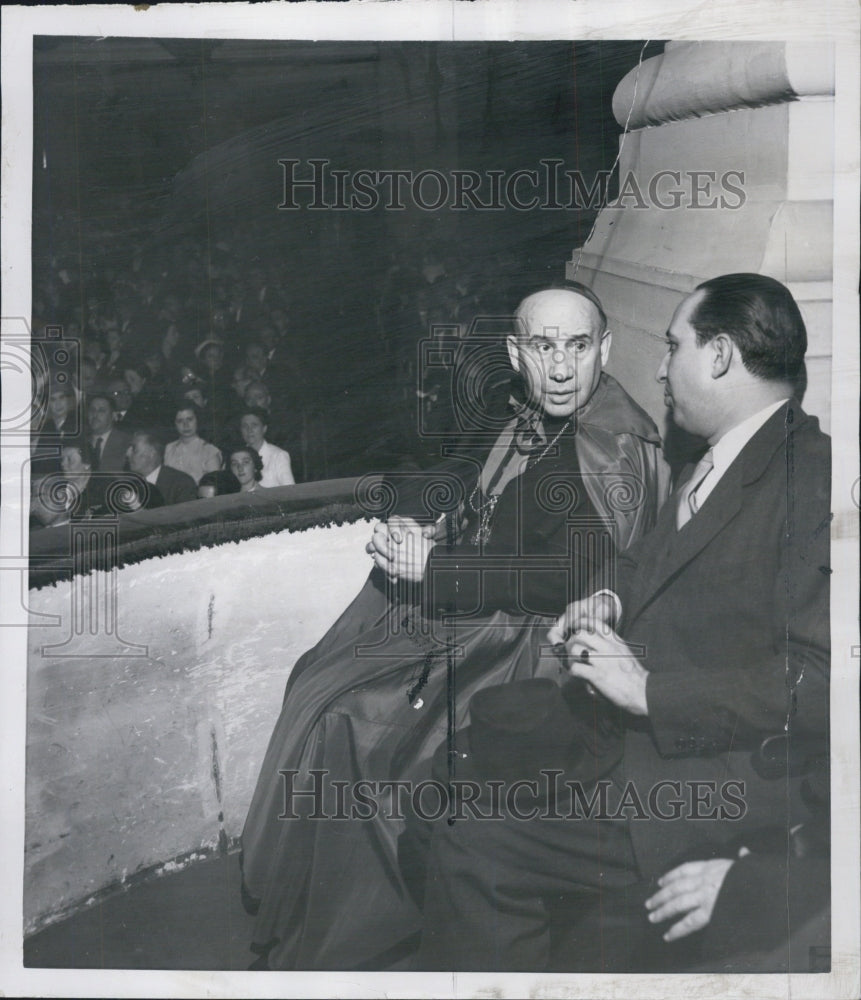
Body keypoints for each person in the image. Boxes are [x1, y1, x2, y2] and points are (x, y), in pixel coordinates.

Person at [239, 284, 669, 970]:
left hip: (541, 649)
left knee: (351, 719)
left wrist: (437, 567)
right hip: (484, 614)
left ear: (605, 350)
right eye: (542, 345)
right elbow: (468, 479)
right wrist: (423, 517)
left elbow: (570, 576)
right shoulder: (531, 415)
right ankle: (332, 919)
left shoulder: (610, 443)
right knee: (317, 677)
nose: (560, 367)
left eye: (578, 346)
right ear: (515, 352)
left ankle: (368, 931)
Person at [416, 274, 830, 972]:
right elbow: (642, 559)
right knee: (444, 780)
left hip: (715, 779)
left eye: (674, 347)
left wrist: (648, 693)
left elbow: (819, 684)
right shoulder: (719, 453)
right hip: (645, 744)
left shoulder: (814, 483)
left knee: (467, 841)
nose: (661, 367)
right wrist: (605, 598)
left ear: (721, 355)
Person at [127, 431, 198, 506]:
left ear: (151, 453)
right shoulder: (128, 484)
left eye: (134, 449)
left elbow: (183, 517)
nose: (127, 453)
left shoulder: (181, 484)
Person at [163, 402, 223, 484]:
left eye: (190, 419)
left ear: (198, 420)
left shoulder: (209, 451)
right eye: (180, 421)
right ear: (174, 424)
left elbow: (214, 487)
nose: (186, 425)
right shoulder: (169, 448)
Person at [238, 406, 295, 487]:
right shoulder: (236, 457)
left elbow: (290, 492)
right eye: (245, 426)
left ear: (264, 429)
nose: (249, 430)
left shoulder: (278, 456)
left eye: (254, 425)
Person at [86, 393, 132, 473]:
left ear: (113, 415)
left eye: (101, 411)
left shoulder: (126, 442)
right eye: (92, 410)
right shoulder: (81, 442)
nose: (95, 415)